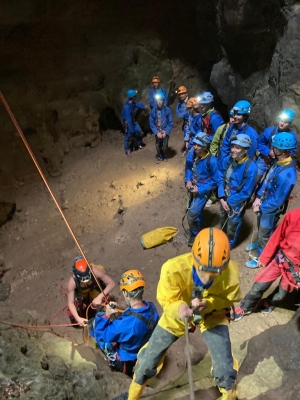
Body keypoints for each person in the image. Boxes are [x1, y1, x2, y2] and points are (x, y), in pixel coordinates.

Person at [113, 228, 242, 400]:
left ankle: (229, 396)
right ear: (194, 259)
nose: (207, 278)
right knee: (145, 362)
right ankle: (132, 397)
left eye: (214, 274)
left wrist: (209, 304)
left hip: (212, 315)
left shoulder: (230, 273)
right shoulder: (173, 269)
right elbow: (167, 299)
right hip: (177, 317)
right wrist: (180, 308)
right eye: (203, 271)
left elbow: (228, 299)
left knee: (225, 370)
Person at [90, 270, 159, 377]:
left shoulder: (125, 325)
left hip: (126, 358)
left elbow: (101, 334)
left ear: (126, 293)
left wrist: (106, 315)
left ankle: (113, 362)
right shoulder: (152, 308)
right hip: (142, 348)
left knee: (94, 329)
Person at [235, 209, 300, 320]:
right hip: (281, 258)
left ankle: (270, 302)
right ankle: (245, 307)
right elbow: (277, 235)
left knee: (282, 293)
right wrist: (265, 257)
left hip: (296, 269)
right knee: (259, 284)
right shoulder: (295, 216)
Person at [245, 132, 297, 268]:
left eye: (274, 147)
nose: (271, 149)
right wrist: (257, 198)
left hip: (271, 207)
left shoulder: (287, 174)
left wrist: (261, 207)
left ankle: (263, 258)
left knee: (264, 232)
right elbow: (267, 179)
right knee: (261, 224)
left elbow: (277, 201)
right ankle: (262, 244)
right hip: (265, 200)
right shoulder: (278, 163)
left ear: (281, 150)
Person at [218, 134, 257, 249]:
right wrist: (221, 196)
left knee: (233, 223)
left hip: (236, 200)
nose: (233, 150)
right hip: (225, 195)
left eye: (237, 148)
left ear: (245, 150)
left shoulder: (251, 167)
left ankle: (229, 243)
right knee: (223, 217)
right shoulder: (228, 160)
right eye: (233, 146)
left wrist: (229, 201)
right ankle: (222, 236)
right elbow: (220, 176)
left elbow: (246, 192)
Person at [185, 133, 218, 246]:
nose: (195, 147)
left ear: (204, 146)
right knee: (195, 211)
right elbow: (189, 167)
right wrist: (188, 180)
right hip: (193, 185)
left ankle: (194, 235)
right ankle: (198, 229)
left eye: (199, 145)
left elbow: (215, 180)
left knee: (191, 214)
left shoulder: (212, 161)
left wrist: (200, 189)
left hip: (203, 190)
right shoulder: (192, 154)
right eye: (194, 144)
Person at [67, 257, 116, 326]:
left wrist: (99, 297)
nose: (86, 282)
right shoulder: (72, 283)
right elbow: (70, 302)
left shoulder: (95, 271)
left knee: (103, 306)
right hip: (82, 295)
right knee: (73, 317)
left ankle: (105, 320)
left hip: (95, 290)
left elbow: (111, 283)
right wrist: (78, 318)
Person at [256, 109, 298, 181]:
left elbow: (292, 150)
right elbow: (259, 143)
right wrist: (268, 152)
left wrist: (282, 155)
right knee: (254, 177)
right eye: (281, 120)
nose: (282, 123)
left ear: (290, 124)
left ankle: (261, 191)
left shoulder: (292, 137)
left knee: (269, 182)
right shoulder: (269, 131)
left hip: (278, 163)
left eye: (285, 122)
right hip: (265, 159)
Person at [122, 89, 148, 157]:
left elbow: (137, 104)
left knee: (140, 132)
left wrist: (144, 106)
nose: (136, 96)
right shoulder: (127, 107)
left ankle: (138, 143)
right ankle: (127, 150)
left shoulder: (132, 103)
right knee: (129, 136)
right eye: (135, 96)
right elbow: (128, 119)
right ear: (133, 97)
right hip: (128, 123)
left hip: (133, 121)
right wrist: (132, 129)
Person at [149, 91, 173, 163]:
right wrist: (156, 132)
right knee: (157, 145)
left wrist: (166, 131)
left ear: (163, 101)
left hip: (165, 130)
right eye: (158, 100)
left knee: (165, 145)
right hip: (157, 130)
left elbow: (170, 122)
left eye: (161, 100)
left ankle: (165, 155)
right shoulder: (153, 111)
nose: (159, 102)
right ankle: (160, 156)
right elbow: (151, 122)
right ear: (156, 101)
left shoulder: (167, 110)